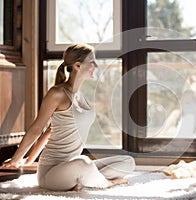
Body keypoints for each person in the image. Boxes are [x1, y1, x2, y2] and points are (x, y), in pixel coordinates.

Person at [1, 43, 135, 191]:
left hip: (72, 166)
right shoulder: (57, 93)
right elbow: (37, 128)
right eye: (92, 62)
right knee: (84, 163)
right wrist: (17, 159)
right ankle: (108, 183)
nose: (96, 66)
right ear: (77, 65)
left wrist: (30, 160)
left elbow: (51, 130)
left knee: (127, 161)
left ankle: (83, 179)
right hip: (51, 173)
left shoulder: (81, 96)